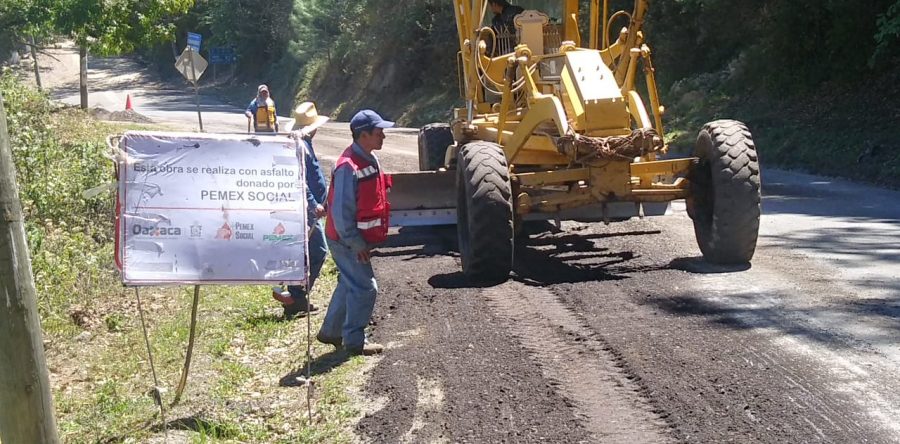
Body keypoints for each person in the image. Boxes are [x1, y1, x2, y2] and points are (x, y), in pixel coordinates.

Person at [316, 109, 394, 356]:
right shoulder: (348, 166)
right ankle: (354, 341)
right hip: (345, 239)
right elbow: (339, 213)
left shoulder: (368, 158)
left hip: (350, 237)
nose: (383, 135)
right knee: (365, 288)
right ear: (363, 135)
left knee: (348, 283)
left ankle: (331, 331)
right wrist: (356, 243)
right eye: (378, 131)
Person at [271, 102, 331, 319]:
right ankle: (296, 296)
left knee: (306, 252)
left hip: (309, 210)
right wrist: (314, 203)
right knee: (317, 251)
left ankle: (296, 298)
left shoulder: (303, 144)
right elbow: (299, 180)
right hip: (307, 211)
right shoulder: (301, 147)